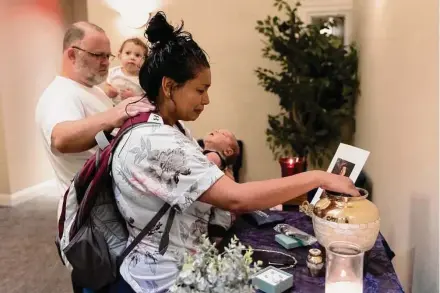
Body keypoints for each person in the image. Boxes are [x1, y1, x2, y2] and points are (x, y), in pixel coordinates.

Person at [111, 12, 360, 293]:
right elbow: (236, 198)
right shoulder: (155, 141)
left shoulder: (164, 126)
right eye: (200, 90)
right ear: (169, 86)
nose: (206, 100)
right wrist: (318, 177)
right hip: (164, 280)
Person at [35, 21, 154, 220]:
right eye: (98, 55)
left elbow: (102, 138)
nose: (106, 62)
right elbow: (61, 138)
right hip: (89, 214)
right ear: (72, 55)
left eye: (108, 56)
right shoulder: (61, 93)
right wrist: (115, 114)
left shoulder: (94, 90)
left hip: (110, 203)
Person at [103, 37, 148, 104]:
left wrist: (134, 97)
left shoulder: (143, 78)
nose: (132, 57)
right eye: (127, 53)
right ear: (119, 56)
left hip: (133, 109)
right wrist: (108, 90)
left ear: (144, 61)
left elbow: (146, 99)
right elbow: (106, 84)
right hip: (112, 107)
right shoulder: (113, 71)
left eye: (137, 55)